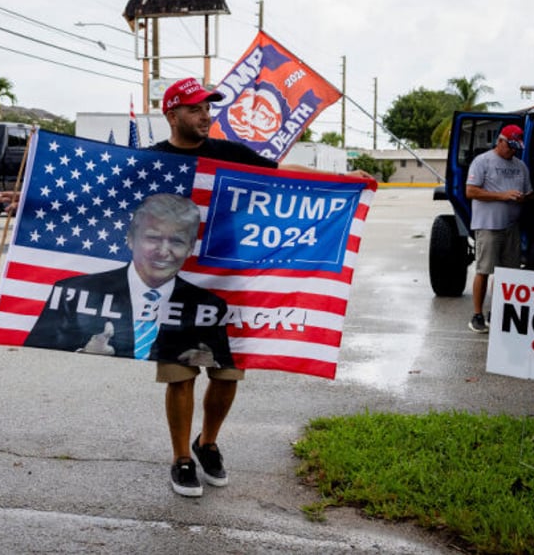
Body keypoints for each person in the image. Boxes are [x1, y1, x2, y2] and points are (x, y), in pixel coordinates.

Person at [153, 77, 372, 497]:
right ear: (172, 114)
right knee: (180, 373)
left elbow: (284, 171)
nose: (205, 115)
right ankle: (181, 458)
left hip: (229, 280)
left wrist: (343, 178)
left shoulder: (228, 154)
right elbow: (103, 196)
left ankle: (207, 442)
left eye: (208, 108)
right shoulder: (152, 160)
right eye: (196, 108)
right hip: (177, 281)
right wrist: (35, 199)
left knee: (228, 371)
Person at [24, 193, 234, 370]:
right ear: (130, 239)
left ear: (190, 248)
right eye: (152, 238)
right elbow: (33, 358)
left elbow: (227, 363)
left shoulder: (210, 306)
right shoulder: (71, 292)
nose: (163, 252)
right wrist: (83, 353)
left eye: (177, 241)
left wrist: (211, 362)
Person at [465, 123, 532, 333]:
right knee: (484, 270)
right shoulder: (482, 161)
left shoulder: (520, 166)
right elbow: (471, 191)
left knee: (506, 274)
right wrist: (501, 196)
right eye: (509, 146)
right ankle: (477, 315)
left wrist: (523, 198)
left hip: (511, 226)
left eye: (516, 148)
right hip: (488, 226)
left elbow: (530, 192)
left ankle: (498, 311)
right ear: (500, 141)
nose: (512, 151)